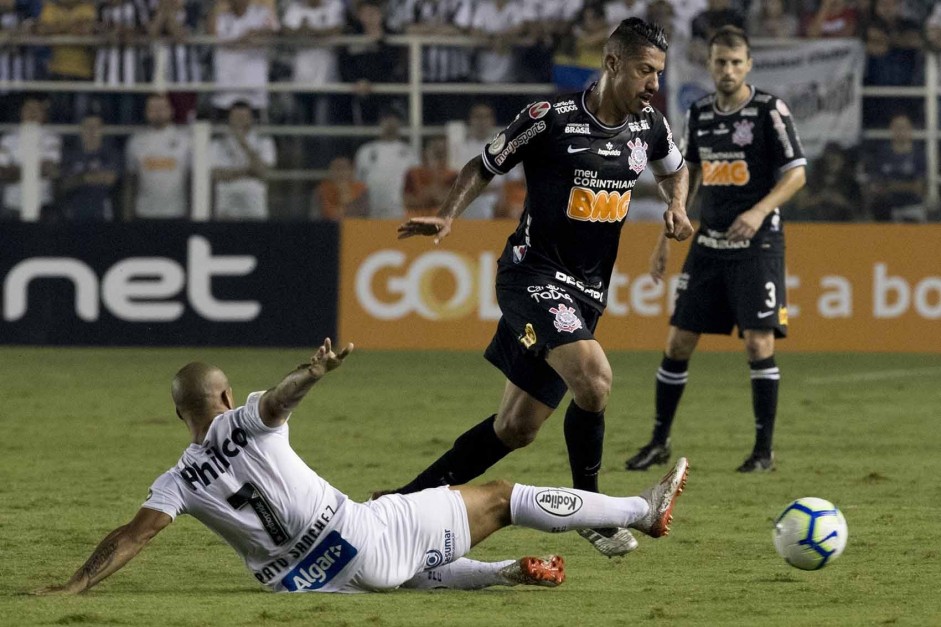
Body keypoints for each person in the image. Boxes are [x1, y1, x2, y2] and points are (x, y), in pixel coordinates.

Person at [32, 338, 690, 595]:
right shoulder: (246, 418)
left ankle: (503, 572)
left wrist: (74, 587)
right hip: (359, 537)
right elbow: (280, 400)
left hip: (305, 583)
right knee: (499, 494)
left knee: (402, 563)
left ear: (182, 416)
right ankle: (641, 509)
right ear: (226, 396)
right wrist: (310, 373)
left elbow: (132, 535)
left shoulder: (178, 478)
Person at [391, 17, 692, 559]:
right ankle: (595, 512)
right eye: (646, 71)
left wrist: (677, 205)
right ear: (612, 64)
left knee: (516, 427)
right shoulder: (549, 118)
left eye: (659, 73)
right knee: (595, 381)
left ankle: (401, 505)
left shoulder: (649, 125)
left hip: (586, 293)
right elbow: (484, 164)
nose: (654, 83)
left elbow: (675, 168)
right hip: (531, 276)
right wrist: (446, 216)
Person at [625, 26, 806, 474]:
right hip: (709, 241)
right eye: (720, 62)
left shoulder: (769, 111)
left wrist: (760, 211)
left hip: (757, 243)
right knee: (678, 341)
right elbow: (688, 177)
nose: (727, 70)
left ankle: (763, 451)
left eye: (735, 62)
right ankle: (658, 441)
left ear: (748, 65)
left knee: (758, 342)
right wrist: (665, 238)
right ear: (709, 64)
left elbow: (797, 172)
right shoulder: (700, 113)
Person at [123, 92, 191, 220]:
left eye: (162, 108)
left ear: (171, 110)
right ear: (146, 112)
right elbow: (131, 180)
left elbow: (191, 179)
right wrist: (127, 216)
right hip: (144, 212)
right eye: (153, 109)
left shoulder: (185, 139)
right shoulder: (136, 141)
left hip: (177, 212)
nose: (158, 113)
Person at [210, 101, 276, 221]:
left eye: (243, 117)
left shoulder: (263, 140)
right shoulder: (218, 142)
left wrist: (243, 143)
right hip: (226, 198)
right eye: (236, 117)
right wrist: (247, 171)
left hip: (254, 200)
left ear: (251, 119)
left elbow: (262, 172)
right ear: (229, 118)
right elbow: (216, 174)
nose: (239, 120)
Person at [0, 93, 61, 220]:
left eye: (37, 109)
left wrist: (17, 170)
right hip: (12, 205)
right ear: (21, 112)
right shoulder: (8, 139)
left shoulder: (52, 138)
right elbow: (3, 173)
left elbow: (50, 170)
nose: (32, 113)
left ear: (44, 114)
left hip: (43, 204)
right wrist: (34, 169)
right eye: (28, 109)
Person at [353, 107, 418, 219]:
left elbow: (415, 185)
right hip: (371, 213)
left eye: (394, 119)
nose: (390, 123)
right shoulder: (365, 151)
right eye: (386, 119)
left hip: (401, 214)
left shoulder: (410, 153)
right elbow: (357, 183)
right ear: (380, 122)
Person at [58, 112, 120, 221]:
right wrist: (87, 177)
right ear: (81, 130)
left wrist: (80, 178)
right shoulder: (70, 155)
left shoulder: (111, 155)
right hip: (74, 215)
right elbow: (64, 184)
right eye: (88, 127)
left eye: (96, 127)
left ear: (102, 131)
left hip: (102, 215)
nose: (92, 131)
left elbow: (110, 178)